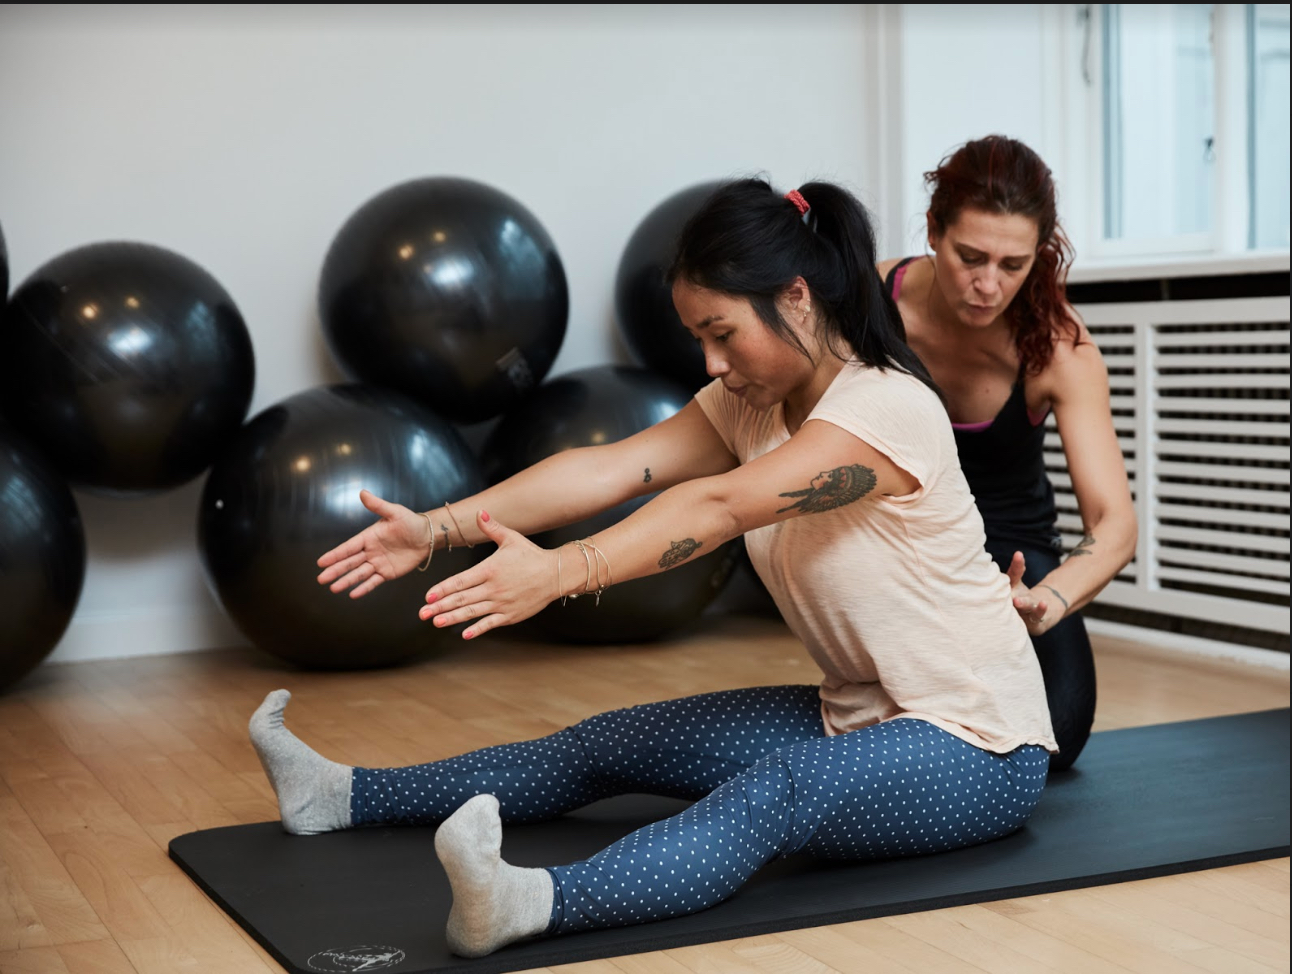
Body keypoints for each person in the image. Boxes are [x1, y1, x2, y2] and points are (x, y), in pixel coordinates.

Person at [249, 178, 1057, 959]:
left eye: (722, 331)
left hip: (979, 741)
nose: (710, 360)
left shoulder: (885, 406)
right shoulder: (750, 400)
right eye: (698, 338)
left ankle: (525, 905)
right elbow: (610, 467)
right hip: (856, 711)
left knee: (776, 791)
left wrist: (561, 572)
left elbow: (720, 508)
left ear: (799, 299)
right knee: (607, 744)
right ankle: (337, 796)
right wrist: (434, 528)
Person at [878, 135, 1137, 771]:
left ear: (1039, 256)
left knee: (1059, 733)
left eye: (1013, 265)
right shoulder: (871, 303)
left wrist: (1049, 598)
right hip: (896, 545)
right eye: (970, 257)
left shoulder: (1059, 348)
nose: (988, 285)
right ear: (934, 229)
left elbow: (1115, 524)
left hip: (1010, 557)